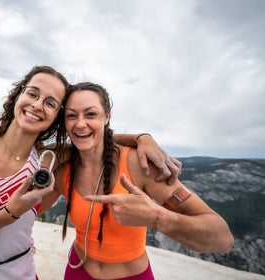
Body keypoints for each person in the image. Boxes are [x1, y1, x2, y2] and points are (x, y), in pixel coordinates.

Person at [0, 66, 181, 279]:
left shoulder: (50, 160)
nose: (37, 105)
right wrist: (6, 215)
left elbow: (96, 135)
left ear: (56, 117)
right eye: (33, 94)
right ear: (18, 95)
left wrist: (142, 137)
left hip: (23, 273)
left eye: (50, 103)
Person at [53, 82, 234, 280]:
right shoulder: (63, 167)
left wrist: (158, 218)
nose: (80, 124)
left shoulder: (139, 165)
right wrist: (140, 137)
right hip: (77, 271)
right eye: (72, 115)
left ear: (107, 116)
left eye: (90, 114)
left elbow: (223, 238)